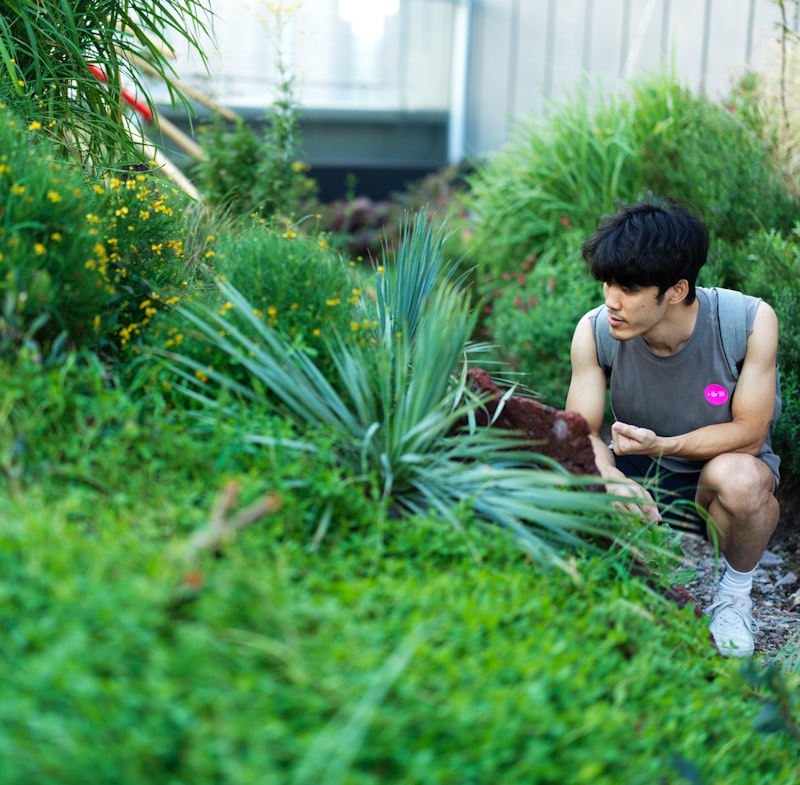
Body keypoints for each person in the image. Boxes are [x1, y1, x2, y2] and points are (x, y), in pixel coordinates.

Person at [565, 196, 781, 658]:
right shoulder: (595, 330)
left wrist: (665, 444)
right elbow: (580, 431)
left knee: (741, 480)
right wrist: (610, 478)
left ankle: (733, 597)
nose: (611, 301)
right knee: (584, 484)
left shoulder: (747, 322)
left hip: (714, 477)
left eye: (629, 289)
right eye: (607, 284)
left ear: (677, 291)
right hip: (642, 482)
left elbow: (750, 432)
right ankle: (638, 596)